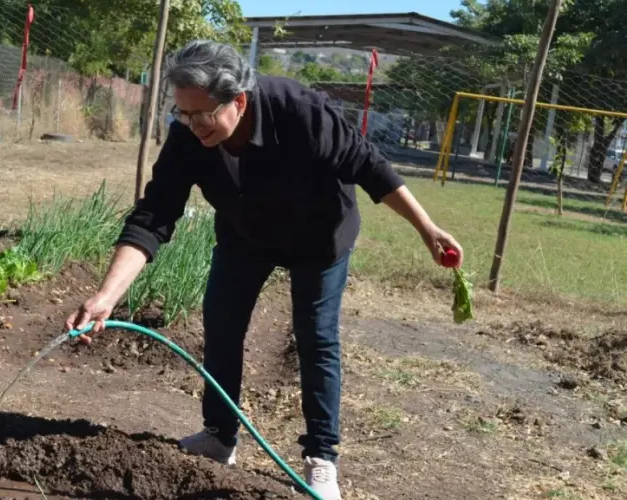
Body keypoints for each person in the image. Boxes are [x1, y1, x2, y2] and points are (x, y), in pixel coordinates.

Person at [65, 40, 463, 500]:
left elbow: (370, 167)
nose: (192, 126)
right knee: (222, 323)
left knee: (315, 335)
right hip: (246, 233)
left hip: (319, 235)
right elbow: (155, 215)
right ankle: (219, 435)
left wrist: (427, 229)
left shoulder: (300, 112)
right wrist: (106, 296)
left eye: (201, 115)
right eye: (182, 114)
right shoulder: (188, 137)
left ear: (238, 99)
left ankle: (322, 458)